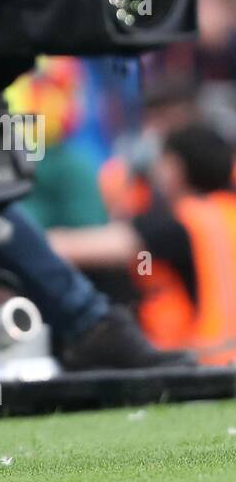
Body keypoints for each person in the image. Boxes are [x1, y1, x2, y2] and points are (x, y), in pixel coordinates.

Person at [49, 123, 236, 365]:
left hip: (203, 358)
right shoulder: (225, 213)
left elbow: (84, 248)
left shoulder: (183, 223)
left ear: (176, 167)